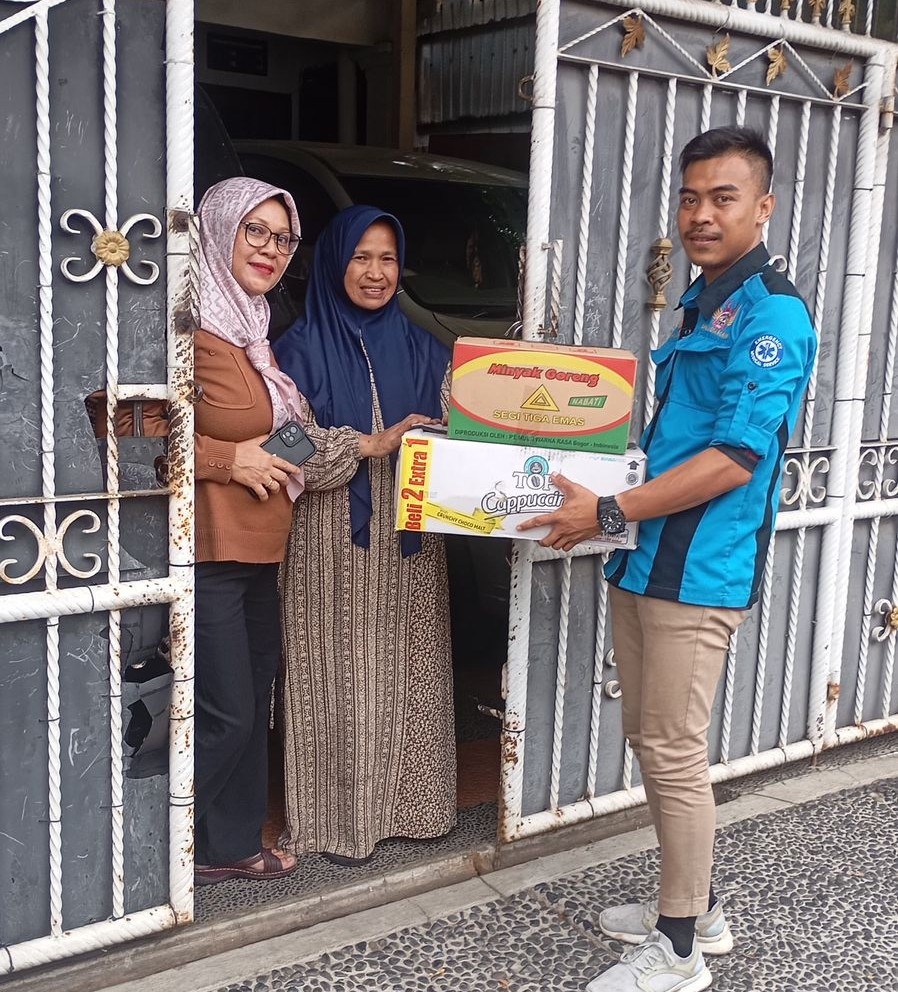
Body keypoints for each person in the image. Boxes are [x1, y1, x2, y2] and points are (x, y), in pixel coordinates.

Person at [519, 127, 817, 991]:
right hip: (646, 554)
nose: (701, 215)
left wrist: (609, 510)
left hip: (699, 568)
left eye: (723, 198)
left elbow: (734, 459)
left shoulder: (772, 315)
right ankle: (698, 908)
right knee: (652, 740)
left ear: (764, 206)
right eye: (689, 198)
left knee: (675, 750)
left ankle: (682, 950)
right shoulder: (704, 299)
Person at [273, 205, 456, 864]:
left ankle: (415, 810)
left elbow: (471, 427)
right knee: (338, 679)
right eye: (361, 257)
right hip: (328, 541)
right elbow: (279, 447)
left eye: (388, 258)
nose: (376, 273)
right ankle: (337, 825)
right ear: (333, 263)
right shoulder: (292, 350)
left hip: (411, 539)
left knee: (409, 675)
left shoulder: (425, 348)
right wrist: (364, 445)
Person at [188, 177, 310, 885]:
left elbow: (289, 434)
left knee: (250, 705)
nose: (270, 249)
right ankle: (137, 847)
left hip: (261, 551)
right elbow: (129, 427)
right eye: (254, 231)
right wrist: (226, 460)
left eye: (283, 238)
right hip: (209, 552)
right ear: (217, 230)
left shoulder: (251, 331)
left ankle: (227, 845)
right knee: (226, 713)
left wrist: (284, 449)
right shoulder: (186, 329)